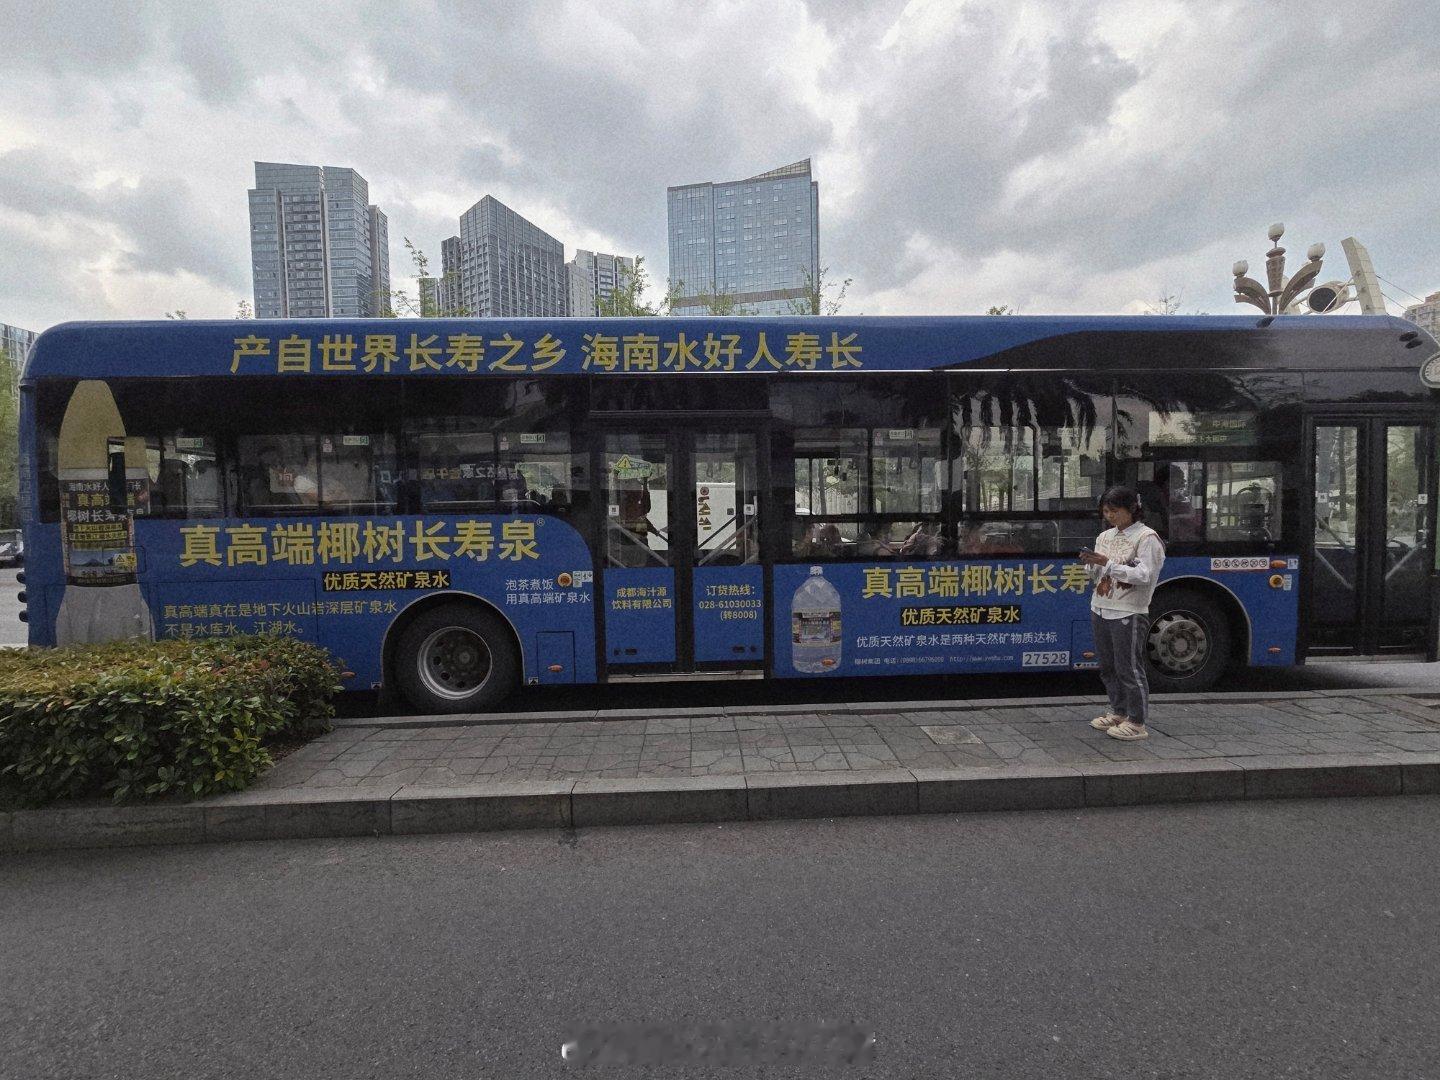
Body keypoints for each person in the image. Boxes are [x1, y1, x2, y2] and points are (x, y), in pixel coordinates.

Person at [1078, 485, 1166, 741]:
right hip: (1100, 606)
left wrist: (1107, 564)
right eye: (1106, 511)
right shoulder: (1104, 536)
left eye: (1114, 511)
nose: (1110, 516)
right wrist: (1091, 565)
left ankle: (1137, 721)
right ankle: (1119, 712)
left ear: (1131, 509)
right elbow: (1097, 574)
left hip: (1128, 610)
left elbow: (1144, 575)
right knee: (1108, 666)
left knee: (1129, 668)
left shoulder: (1147, 538)